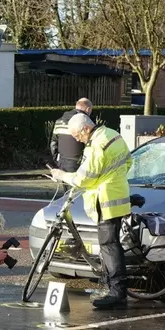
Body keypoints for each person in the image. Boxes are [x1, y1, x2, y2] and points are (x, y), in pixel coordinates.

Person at [49, 112, 132, 309]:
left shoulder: (97, 145)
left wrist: (62, 175)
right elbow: (128, 162)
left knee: (109, 245)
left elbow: (83, 179)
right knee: (111, 244)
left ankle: (117, 291)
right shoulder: (113, 135)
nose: (77, 139)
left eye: (77, 135)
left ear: (86, 129)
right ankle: (109, 282)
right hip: (116, 193)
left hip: (106, 200)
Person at [49, 98, 94, 173]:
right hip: (80, 165)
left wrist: (56, 160)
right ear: (88, 109)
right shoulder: (86, 123)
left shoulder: (59, 121)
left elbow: (53, 144)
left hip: (62, 164)